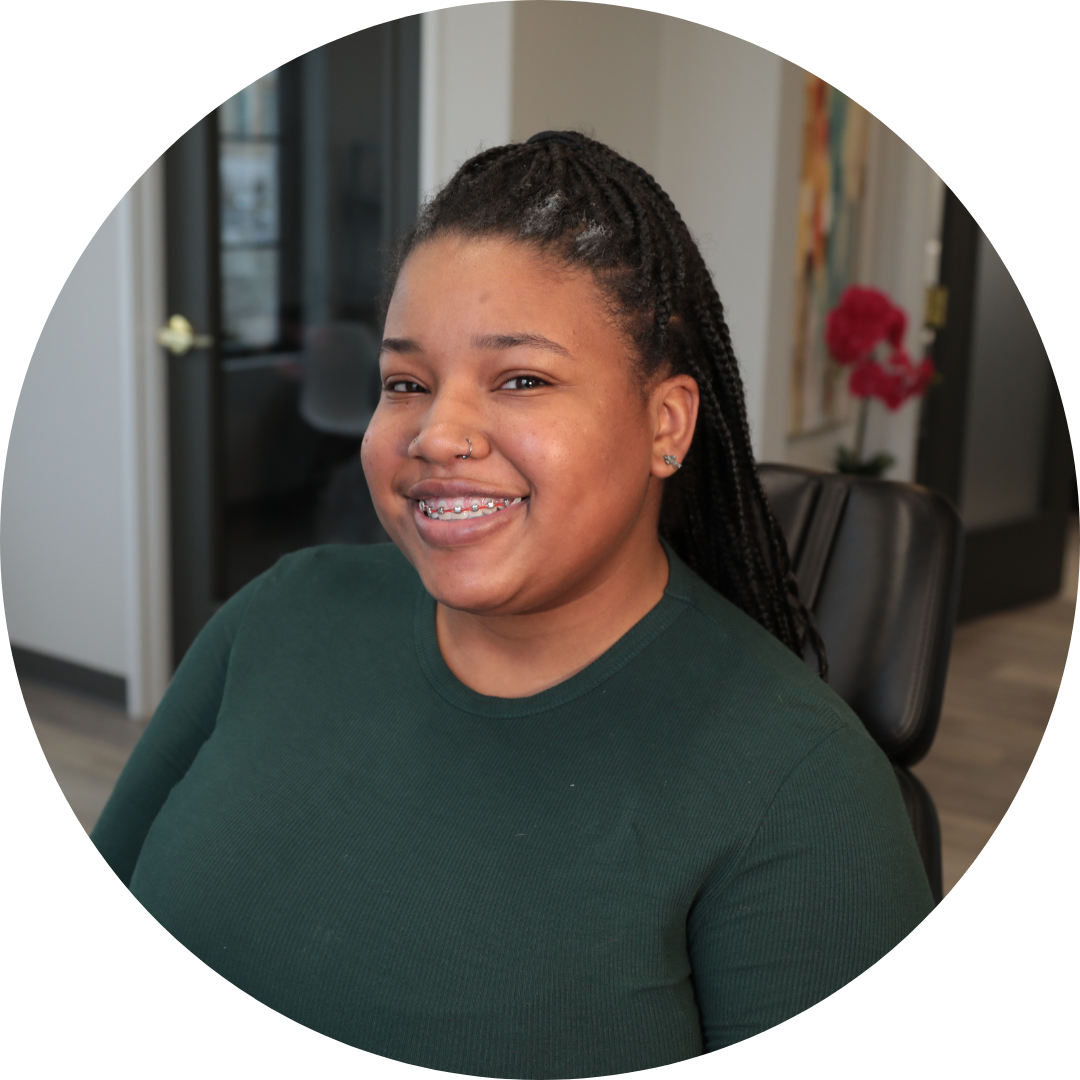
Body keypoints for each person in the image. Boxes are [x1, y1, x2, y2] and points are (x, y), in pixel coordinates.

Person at [91, 130, 934, 1079]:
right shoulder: (279, 614)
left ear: (666, 423)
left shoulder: (806, 793)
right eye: (406, 383)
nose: (436, 433)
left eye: (521, 379)